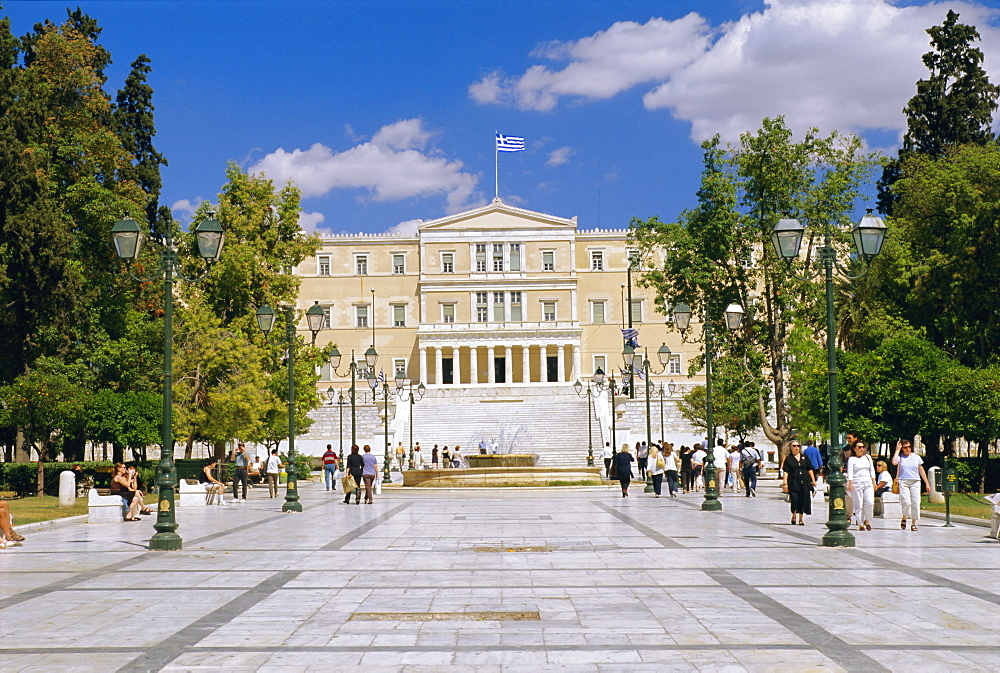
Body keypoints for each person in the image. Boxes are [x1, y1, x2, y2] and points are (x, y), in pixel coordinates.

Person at [892, 439, 931, 531]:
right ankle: (905, 516)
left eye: (909, 447)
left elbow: (921, 470)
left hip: (915, 481)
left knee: (916, 502)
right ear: (902, 448)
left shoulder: (916, 457)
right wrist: (897, 450)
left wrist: (927, 483)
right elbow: (894, 462)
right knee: (906, 502)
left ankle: (913, 523)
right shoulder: (900, 457)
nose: (908, 449)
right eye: (905, 447)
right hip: (903, 481)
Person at [782, 441, 816, 525]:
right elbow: (786, 471)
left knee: (803, 499)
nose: (796, 447)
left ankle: (801, 518)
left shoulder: (805, 457)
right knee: (794, 499)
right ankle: (793, 515)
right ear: (790, 447)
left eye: (798, 446)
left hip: (804, 481)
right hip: (793, 481)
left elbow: (809, 469)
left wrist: (813, 480)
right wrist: (785, 483)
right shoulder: (788, 458)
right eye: (794, 446)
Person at [846, 439, 877, 531]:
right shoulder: (852, 459)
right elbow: (850, 472)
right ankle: (860, 523)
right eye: (859, 447)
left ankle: (867, 519)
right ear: (854, 449)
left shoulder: (867, 457)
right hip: (857, 483)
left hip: (867, 482)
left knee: (870, 502)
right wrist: (850, 483)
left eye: (863, 447)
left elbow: (872, 469)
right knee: (858, 503)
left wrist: (874, 481)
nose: (861, 449)